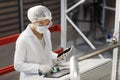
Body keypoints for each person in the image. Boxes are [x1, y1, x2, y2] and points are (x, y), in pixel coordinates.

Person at [14, 5, 59, 80]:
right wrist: (38, 68)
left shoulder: (46, 32)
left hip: (49, 75)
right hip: (31, 77)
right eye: (41, 24)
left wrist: (57, 57)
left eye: (47, 24)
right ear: (33, 21)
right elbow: (18, 65)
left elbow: (45, 52)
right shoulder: (23, 39)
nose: (44, 27)